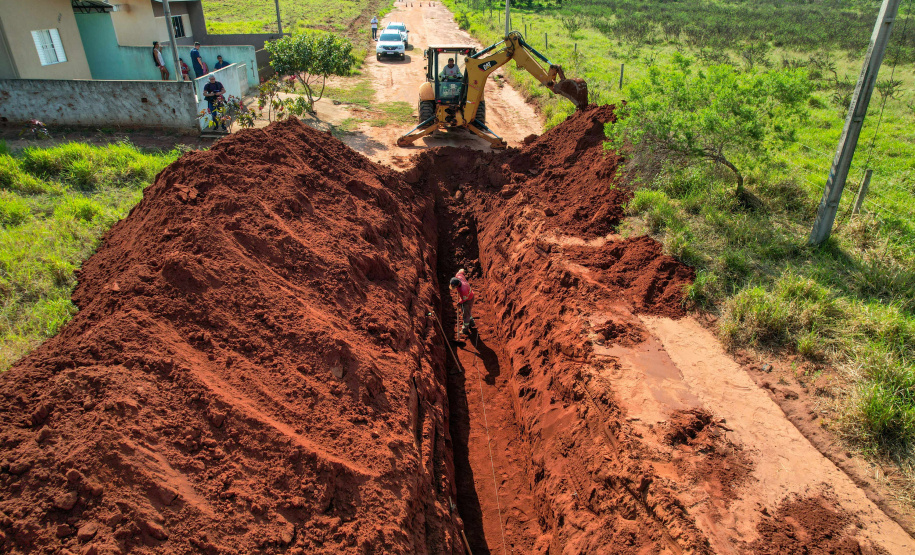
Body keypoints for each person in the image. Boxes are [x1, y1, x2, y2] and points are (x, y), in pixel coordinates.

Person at [449, 269, 476, 335]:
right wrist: (462, 270)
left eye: (454, 287)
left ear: (457, 284)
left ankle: (465, 329)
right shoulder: (458, 276)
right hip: (468, 296)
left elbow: (464, 299)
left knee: (465, 314)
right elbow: (461, 271)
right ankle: (471, 322)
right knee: (468, 311)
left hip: (468, 299)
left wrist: (459, 303)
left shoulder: (463, 290)